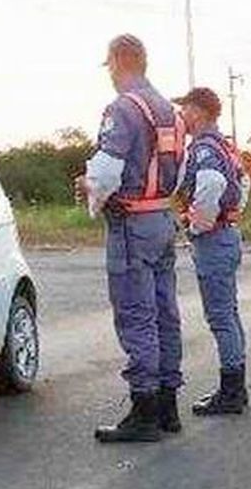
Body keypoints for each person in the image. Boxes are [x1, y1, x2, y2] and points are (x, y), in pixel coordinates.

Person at [76, 35, 186, 442]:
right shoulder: (171, 112)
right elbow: (182, 167)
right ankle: (168, 405)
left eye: (109, 67)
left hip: (131, 223)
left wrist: (93, 193)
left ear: (117, 63)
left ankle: (144, 410)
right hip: (161, 215)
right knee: (165, 312)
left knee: (136, 316)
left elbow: (105, 171)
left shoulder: (122, 108)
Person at [173, 87, 251, 415]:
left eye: (186, 109)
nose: (182, 116)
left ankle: (231, 392)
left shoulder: (204, 148)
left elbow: (211, 186)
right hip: (227, 234)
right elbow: (245, 182)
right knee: (229, 313)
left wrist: (196, 226)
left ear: (201, 111)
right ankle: (235, 387)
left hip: (214, 239)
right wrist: (232, 213)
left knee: (220, 316)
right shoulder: (225, 145)